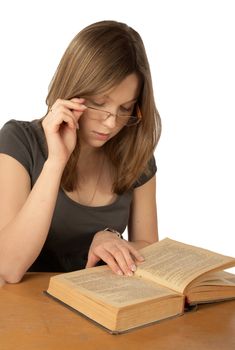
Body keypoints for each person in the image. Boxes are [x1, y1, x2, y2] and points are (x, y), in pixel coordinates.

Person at [0, 20, 161, 283]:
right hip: (27, 314)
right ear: (73, 90)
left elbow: (150, 249)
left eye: (126, 108)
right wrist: (56, 160)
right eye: (99, 104)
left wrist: (109, 239)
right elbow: (7, 267)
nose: (111, 123)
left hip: (98, 308)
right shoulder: (19, 141)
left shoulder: (136, 154)